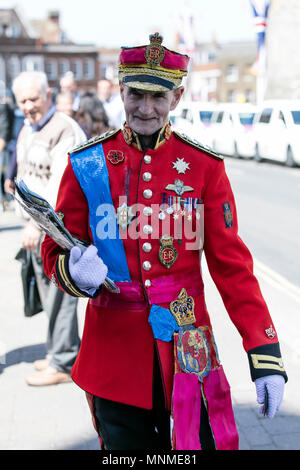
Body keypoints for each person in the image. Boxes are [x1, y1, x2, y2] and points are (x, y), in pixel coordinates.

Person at [41, 33, 287, 450]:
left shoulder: (204, 168)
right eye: (136, 94)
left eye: (159, 96)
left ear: (177, 97)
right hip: (113, 356)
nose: (146, 107)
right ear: (121, 90)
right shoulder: (87, 165)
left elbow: (232, 267)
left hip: (189, 352)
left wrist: (264, 353)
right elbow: (55, 248)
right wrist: (72, 272)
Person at [12, 71, 86, 386]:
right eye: (23, 101)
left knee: (61, 293)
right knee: (49, 294)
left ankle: (65, 362)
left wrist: (32, 223)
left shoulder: (64, 130)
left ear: (48, 95)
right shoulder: (28, 128)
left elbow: (60, 188)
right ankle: (59, 353)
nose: (29, 106)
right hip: (38, 227)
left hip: (60, 230)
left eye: (34, 98)